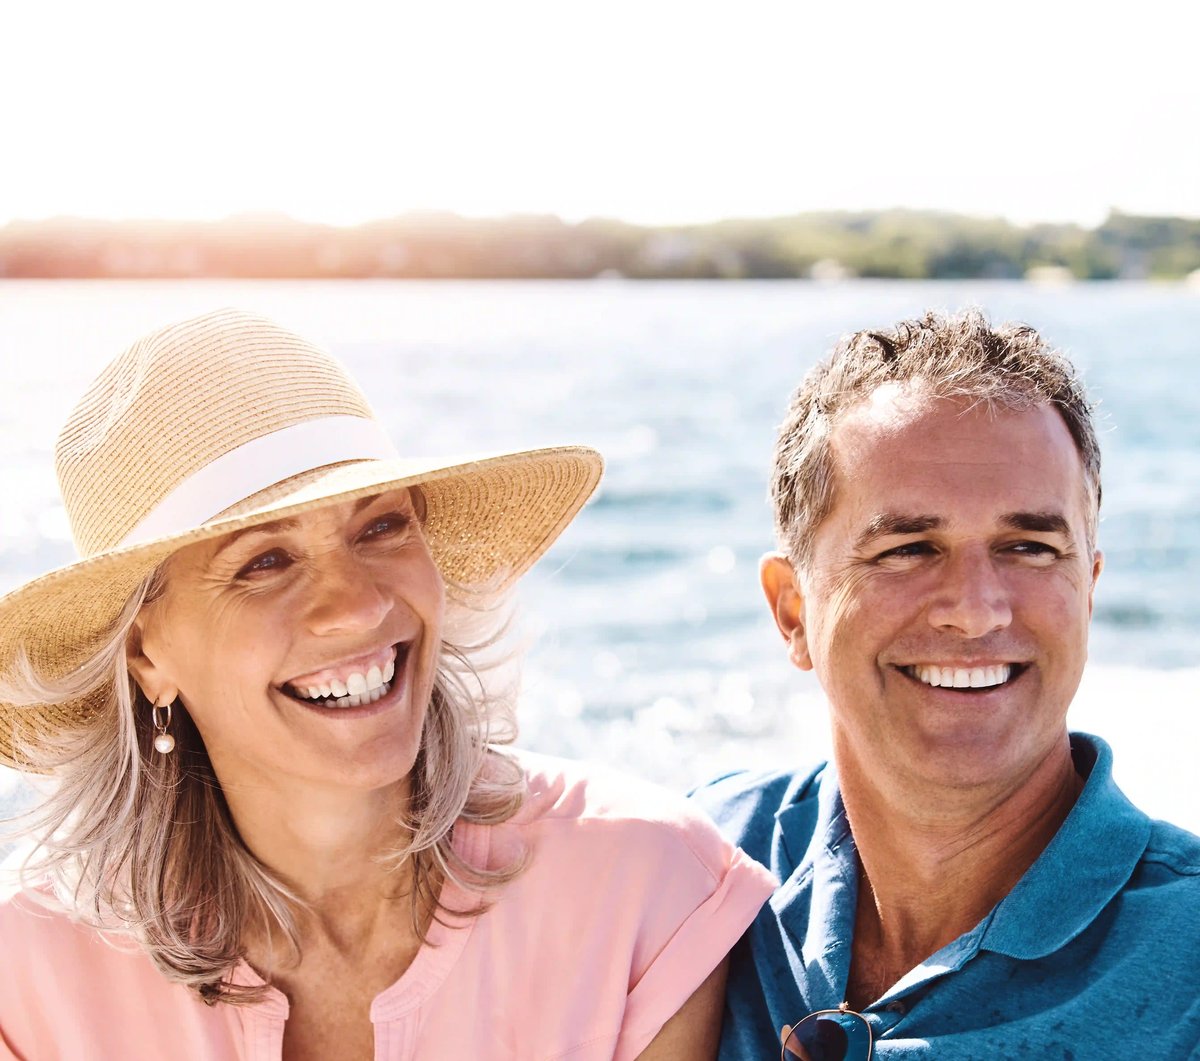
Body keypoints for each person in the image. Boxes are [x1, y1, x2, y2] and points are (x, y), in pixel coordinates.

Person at [0, 309, 775, 1061]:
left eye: (381, 527)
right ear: (145, 653)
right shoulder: (27, 972)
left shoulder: (643, 891)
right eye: (265, 562)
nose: (361, 605)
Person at [692, 309, 1200, 1058]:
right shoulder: (695, 866)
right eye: (907, 547)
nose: (974, 609)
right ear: (792, 610)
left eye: (1028, 546)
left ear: (1087, 588)